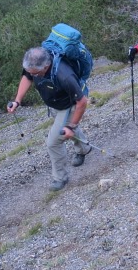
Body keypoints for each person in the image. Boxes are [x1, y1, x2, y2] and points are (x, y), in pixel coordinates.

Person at [7, 47, 92, 191]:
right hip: (55, 105)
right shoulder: (34, 66)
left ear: (46, 67)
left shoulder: (64, 75)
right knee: (65, 130)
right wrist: (17, 101)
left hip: (69, 106)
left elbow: (82, 102)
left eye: (35, 73)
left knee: (53, 142)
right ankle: (84, 149)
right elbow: (27, 77)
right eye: (31, 72)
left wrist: (71, 126)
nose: (33, 75)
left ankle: (60, 177)